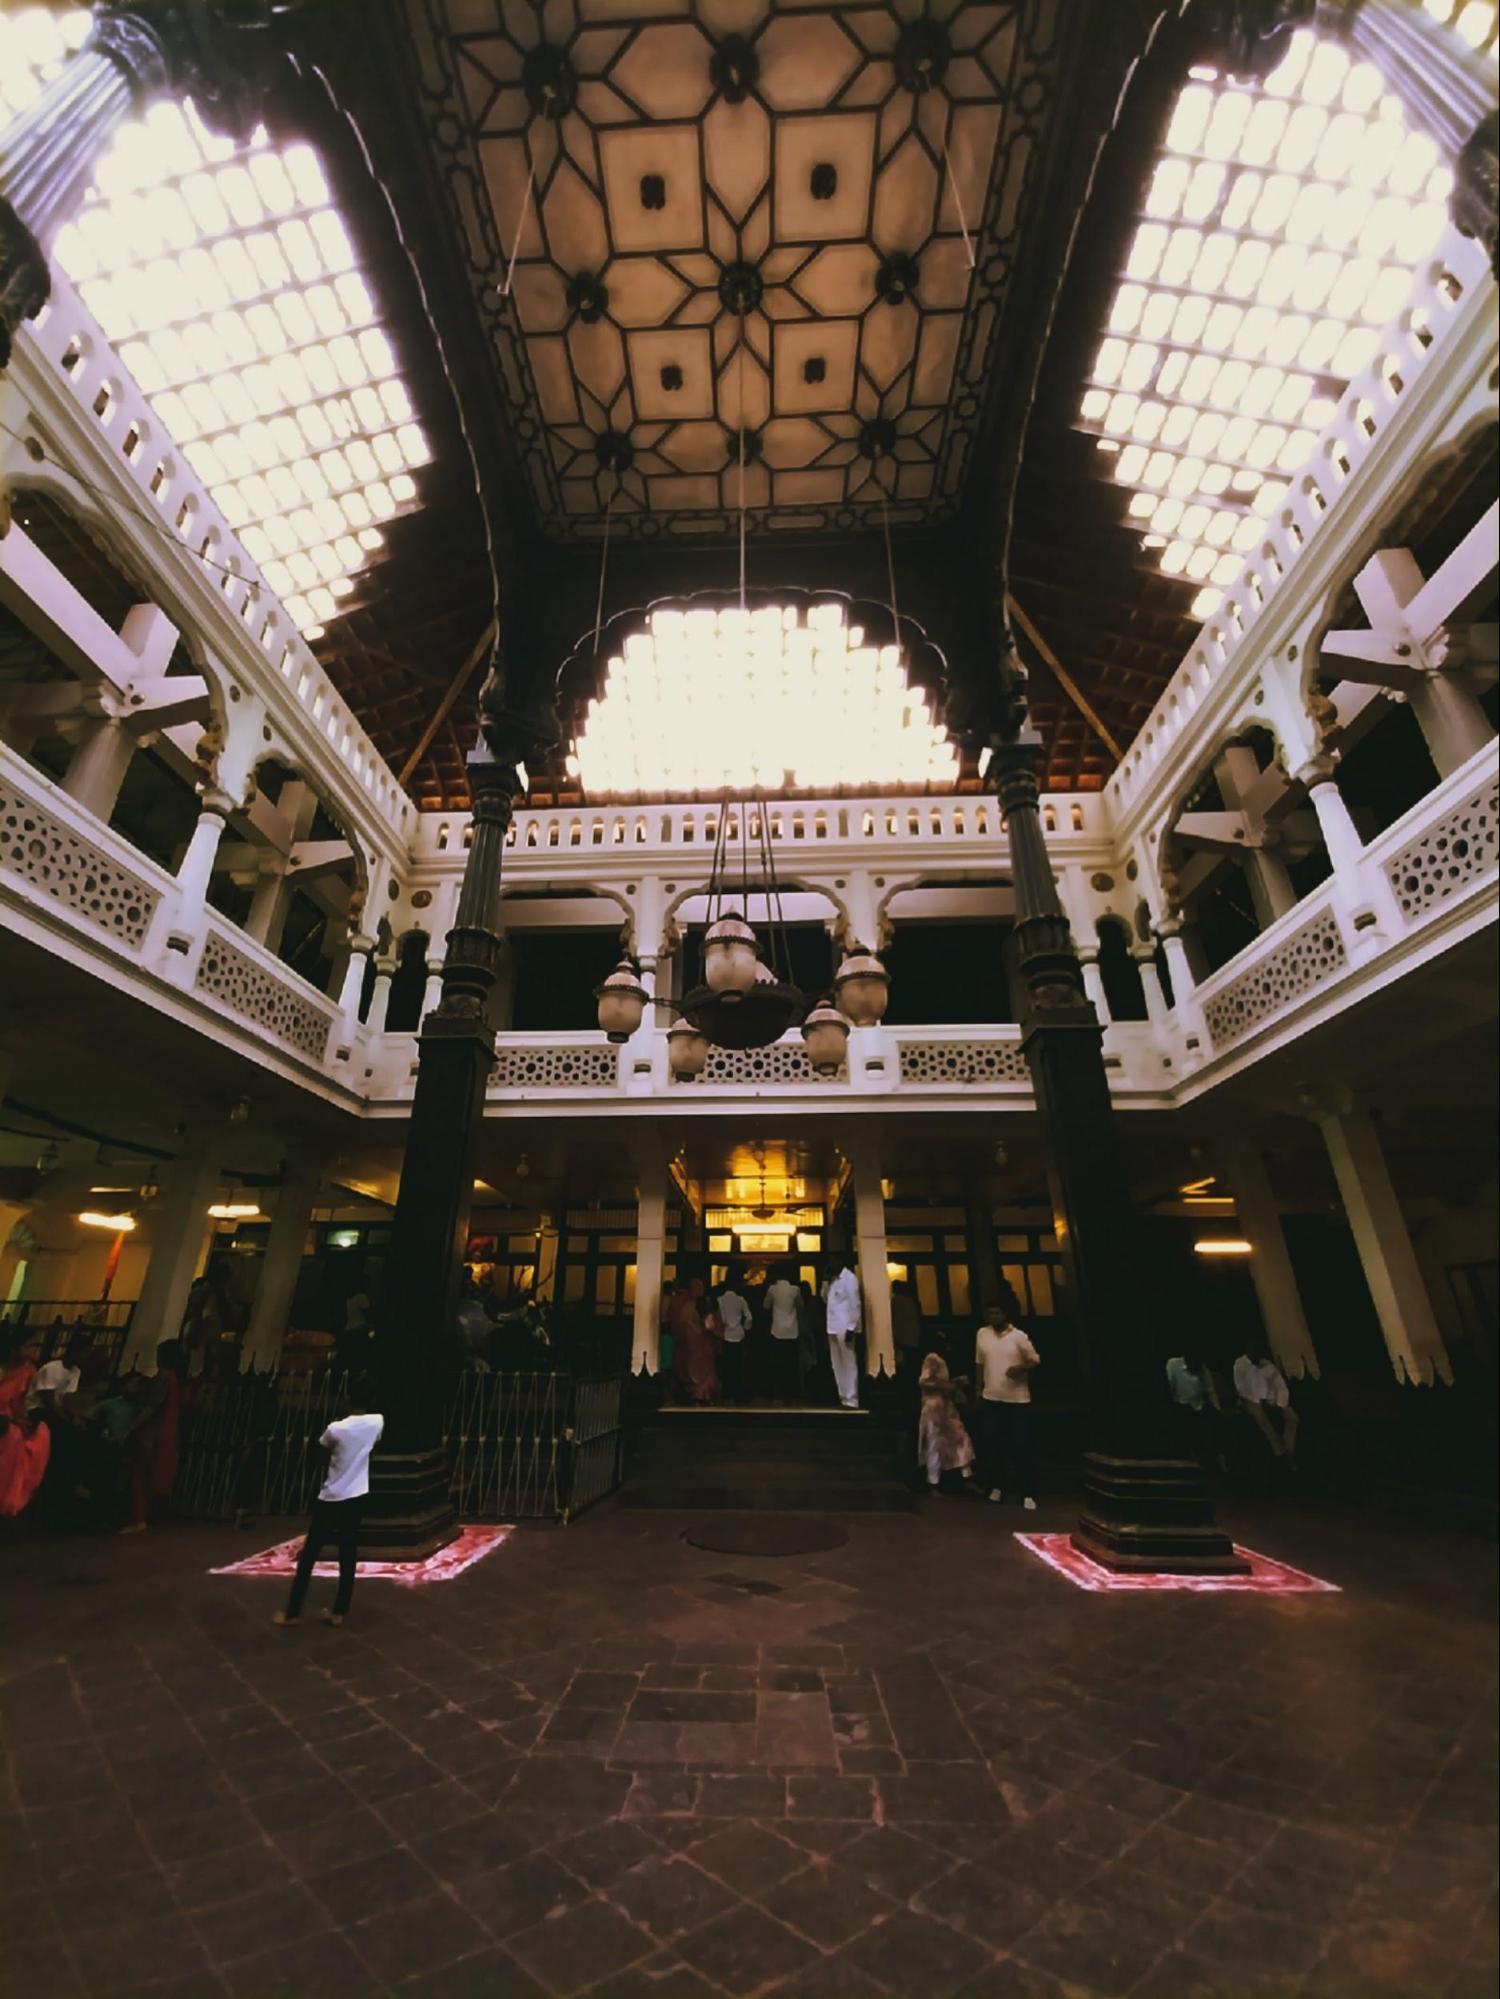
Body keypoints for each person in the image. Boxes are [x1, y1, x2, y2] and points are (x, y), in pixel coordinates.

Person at [274, 1375, 384, 1627]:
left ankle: (293, 1609)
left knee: (311, 1553)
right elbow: (373, 1448)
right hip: (357, 1494)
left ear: (348, 1399)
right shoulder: (377, 1422)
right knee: (348, 1551)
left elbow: (320, 1453)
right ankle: (339, 1610)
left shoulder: (336, 1429)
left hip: (332, 1494)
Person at [974, 1291, 1040, 1508]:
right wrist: (978, 1389)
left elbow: (1034, 1360)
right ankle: (996, 1486)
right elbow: (979, 1362)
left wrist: (1020, 1368)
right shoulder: (982, 1334)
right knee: (993, 1444)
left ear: (1005, 1315)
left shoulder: (1018, 1336)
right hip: (992, 1397)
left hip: (1017, 1399)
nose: (994, 1317)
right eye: (990, 1313)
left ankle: (1027, 1491)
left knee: (1021, 1445)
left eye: (997, 1313)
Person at [121, 1340, 187, 1534]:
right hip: (169, 1431)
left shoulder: (164, 1378)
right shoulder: (178, 1379)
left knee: (141, 1473)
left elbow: (152, 1406)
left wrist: (132, 1427)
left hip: (155, 1431)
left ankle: (138, 1517)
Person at [917, 1353, 977, 1495]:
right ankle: (933, 1483)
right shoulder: (932, 1358)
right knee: (934, 1445)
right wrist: (949, 1386)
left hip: (947, 1408)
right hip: (933, 1407)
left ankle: (966, 1478)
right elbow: (924, 1381)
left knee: (961, 1440)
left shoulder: (946, 1360)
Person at [1234, 1338, 1298, 1467]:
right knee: (1261, 1417)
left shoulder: (1268, 1365)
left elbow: (1280, 1386)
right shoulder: (1240, 1364)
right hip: (1251, 1400)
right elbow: (1242, 1388)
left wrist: (1281, 1404)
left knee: (1292, 1418)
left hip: (1271, 1400)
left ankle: (1288, 1451)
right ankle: (1279, 1452)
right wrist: (1259, 1400)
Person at [669, 1279, 719, 1404]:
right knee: (697, 1370)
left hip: (697, 1344)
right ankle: (700, 1395)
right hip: (693, 1344)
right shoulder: (686, 1304)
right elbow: (687, 1323)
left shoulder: (690, 1304)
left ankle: (701, 1394)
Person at [822, 1256, 862, 1410]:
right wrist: (825, 1282)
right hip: (832, 1326)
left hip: (845, 1327)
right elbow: (825, 1299)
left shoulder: (849, 1279)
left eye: (832, 1262)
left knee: (848, 1362)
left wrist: (852, 1327)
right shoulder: (833, 1281)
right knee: (837, 1364)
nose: (830, 1265)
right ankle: (843, 1397)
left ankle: (852, 1399)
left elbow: (855, 1303)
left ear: (840, 1262)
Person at [763, 1264, 802, 1403]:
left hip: (777, 1330)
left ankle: (777, 1392)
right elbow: (800, 1306)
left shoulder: (772, 1289)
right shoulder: (795, 1289)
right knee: (791, 1364)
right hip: (792, 1331)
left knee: (778, 1363)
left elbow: (766, 1305)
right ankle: (792, 1393)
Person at [716, 1272, 751, 1403]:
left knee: (727, 1366)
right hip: (739, 1334)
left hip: (725, 1334)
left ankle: (727, 1393)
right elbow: (749, 1317)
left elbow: (720, 1318)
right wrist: (746, 1329)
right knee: (738, 1366)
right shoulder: (741, 1300)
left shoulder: (720, 1300)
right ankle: (739, 1394)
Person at [890, 1281, 923, 1377]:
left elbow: (895, 1320)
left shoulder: (895, 1301)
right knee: (913, 1365)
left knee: (903, 1367)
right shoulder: (913, 1301)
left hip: (902, 1339)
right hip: (914, 1338)